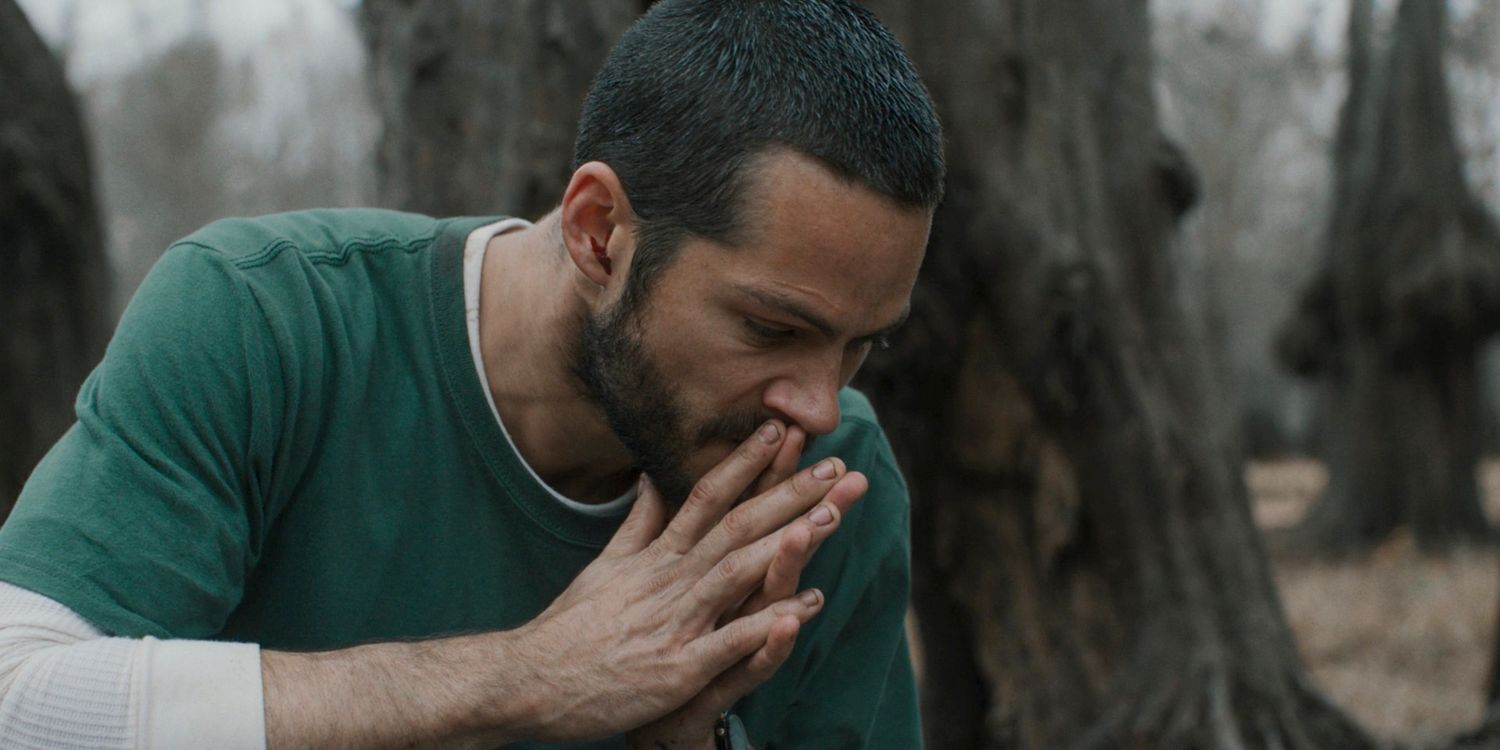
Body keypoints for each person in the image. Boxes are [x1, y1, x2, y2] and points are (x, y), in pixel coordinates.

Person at [0, 0, 945, 747]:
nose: (819, 403)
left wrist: (677, 738)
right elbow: (18, 697)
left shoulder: (833, 490)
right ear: (598, 232)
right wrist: (528, 677)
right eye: (772, 327)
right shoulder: (266, 322)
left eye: (863, 344)